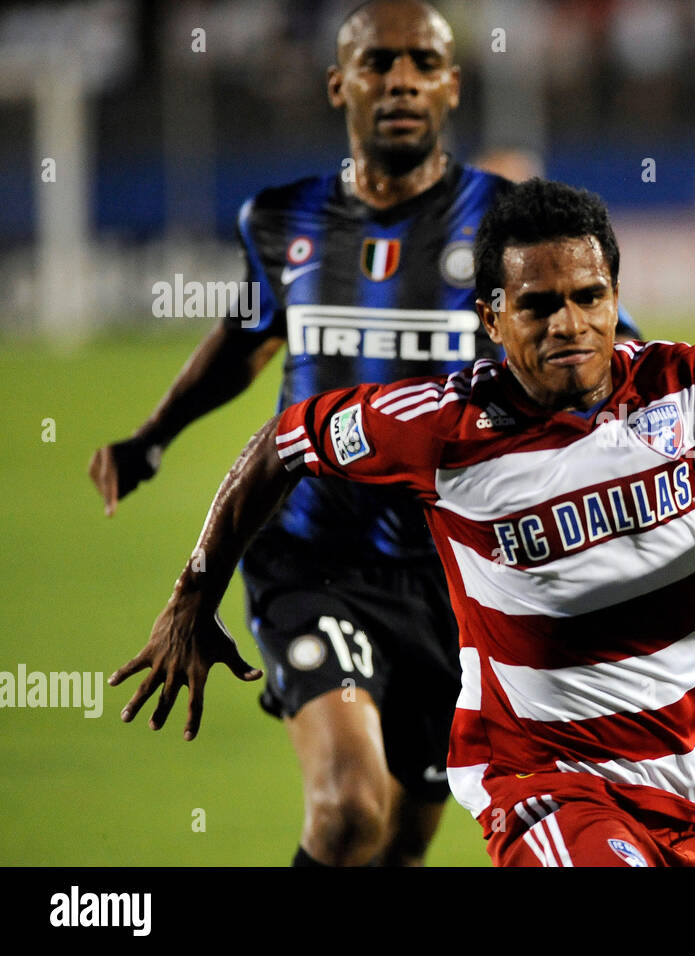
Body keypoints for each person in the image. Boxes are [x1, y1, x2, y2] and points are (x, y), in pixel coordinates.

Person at [110, 178, 695, 867]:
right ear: (491, 317)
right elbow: (283, 443)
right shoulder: (440, 425)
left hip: (690, 783)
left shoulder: (693, 384)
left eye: (590, 297)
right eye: (539, 305)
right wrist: (194, 595)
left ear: (616, 296)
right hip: (543, 782)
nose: (570, 324)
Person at [89, 0, 639, 867]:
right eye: (379, 63)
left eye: (423, 62)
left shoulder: (511, 226)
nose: (401, 82)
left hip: (455, 575)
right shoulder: (282, 220)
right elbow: (248, 335)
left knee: (399, 844)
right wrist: (153, 437)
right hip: (309, 556)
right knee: (348, 810)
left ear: (453, 85)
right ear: (339, 82)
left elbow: (611, 350)